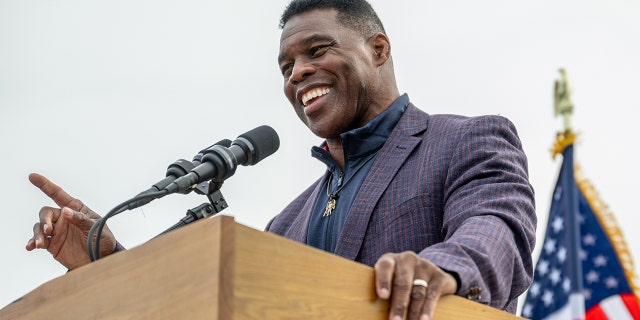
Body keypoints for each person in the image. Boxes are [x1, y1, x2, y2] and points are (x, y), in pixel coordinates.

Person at [26, 0, 536, 319]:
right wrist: (109, 265)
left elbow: (497, 230)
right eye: (287, 65)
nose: (297, 73)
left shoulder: (464, 140)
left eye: (317, 50)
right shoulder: (285, 224)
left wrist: (439, 269)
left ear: (378, 49)